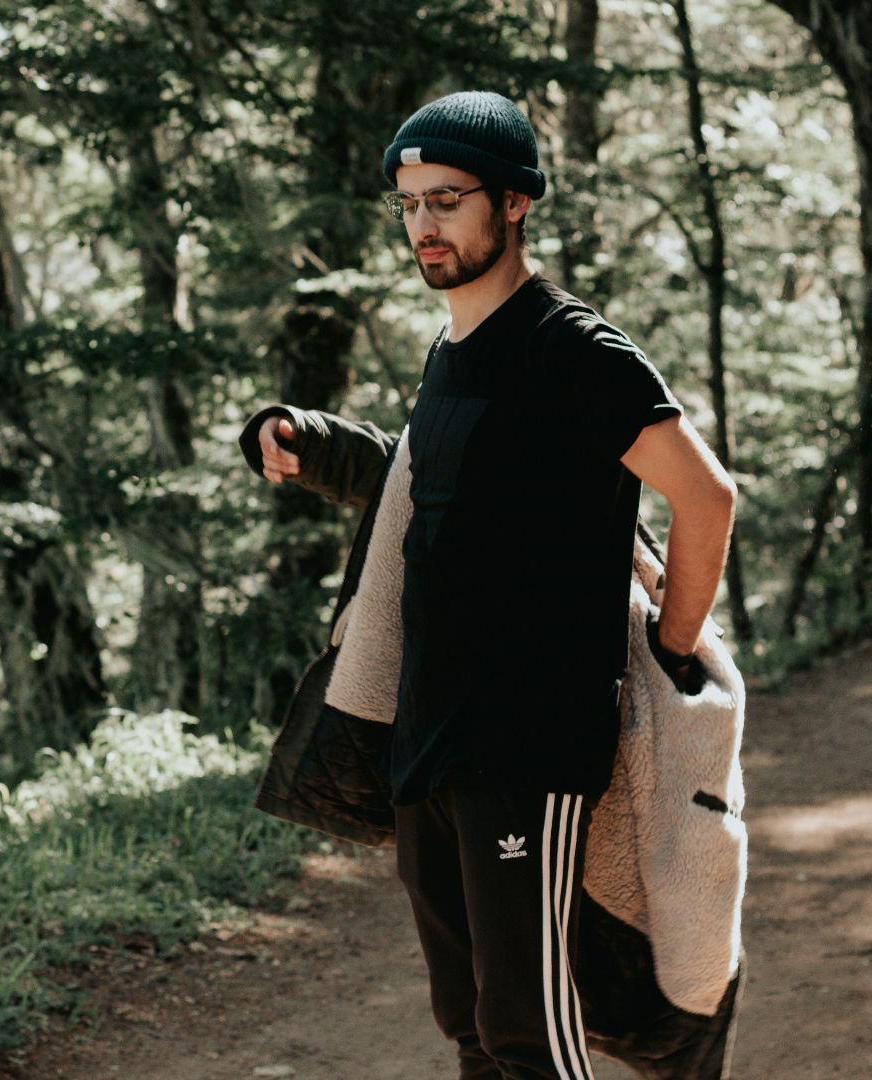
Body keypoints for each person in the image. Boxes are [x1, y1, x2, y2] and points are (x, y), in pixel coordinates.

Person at [242, 90, 737, 1079]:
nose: (424, 225)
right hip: (430, 744)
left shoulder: (573, 350)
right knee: (470, 1021)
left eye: (448, 200)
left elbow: (707, 497)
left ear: (513, 203)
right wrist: (308, 437)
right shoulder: (453, 349)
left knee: (529, 1031)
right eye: (410, 203)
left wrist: (671, 645)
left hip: (525, 745)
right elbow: (425, 484)